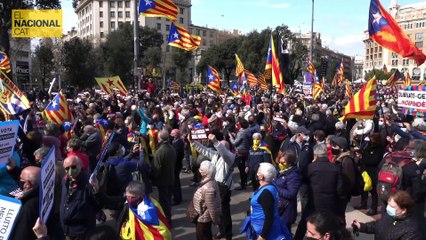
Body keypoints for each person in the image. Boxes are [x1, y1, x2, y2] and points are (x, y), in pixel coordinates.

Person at [190, 133, 236, 240]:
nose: (218, 148)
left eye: (221, 146)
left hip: (223, 187)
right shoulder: (216, 155)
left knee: (224, 212)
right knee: (217, 210)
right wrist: (193, 142)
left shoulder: (230, 157)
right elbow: (204, 150)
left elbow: (224, 152)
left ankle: (228, 234)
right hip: (215, 185)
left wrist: (216, 142)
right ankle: (222, 231)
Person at [241, 162, 291, 240]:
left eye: (258, 172)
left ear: (261, 177)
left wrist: (262, 236)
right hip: (262, 229)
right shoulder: (270, 186)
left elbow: (269, 217)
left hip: (267, 234)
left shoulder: (266, 193)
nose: (256, 173)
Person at [352, 190, 423, 240]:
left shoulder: (412, 232)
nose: (388, 208)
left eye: (392, 206)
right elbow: (378, 226)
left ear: (403, 210)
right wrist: (361, 226)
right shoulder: (390, 215)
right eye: (388, 204)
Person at [60, 156, 99, 239]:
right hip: (67, 229)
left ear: (80, 165)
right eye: (67, 168)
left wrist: (97, 192)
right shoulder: (65, 180)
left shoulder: (89, 182)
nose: (70, 171)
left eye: (73, 167)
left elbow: (98, 204)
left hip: (82, 231)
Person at [151, 129, 176, 224]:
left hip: (163, 180)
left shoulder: (160, 152)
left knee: (164, 202)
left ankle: (167, 220)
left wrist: (152, 177)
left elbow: (156, 169)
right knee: (168, 200)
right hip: (170, 178)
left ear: (160, 138)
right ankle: (168, 217)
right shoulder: (171, 148)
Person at [273, 150, 302, 232]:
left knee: (285, 232)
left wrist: (275, 187)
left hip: (286, 210)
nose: (280, 164)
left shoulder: (294, 176)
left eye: (283, 163)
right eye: (280, 162)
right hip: (278, 207)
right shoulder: (280, 170)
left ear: (290, 163)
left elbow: (291, 194)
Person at [193, 160, 222, 240]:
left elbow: (211, 207)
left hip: (203, 219)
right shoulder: (212, 182)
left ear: (205, 173)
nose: (199, 170)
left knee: (203, 236)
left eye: (201, 170)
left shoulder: (208, 188)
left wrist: (215, 220)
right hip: (203, 217)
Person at [9, 166, 41, 240]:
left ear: (28, 184)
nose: (20, 182)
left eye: (21, 181)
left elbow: (21, 234)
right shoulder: (41, 192)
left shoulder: (28, 207)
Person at [229, 117, 251, 190]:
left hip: (240, 152)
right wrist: (236, 136)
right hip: (246, 151)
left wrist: (230, 137)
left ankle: (243, 184)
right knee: (245, 167)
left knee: (242, 169)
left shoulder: (241, 133)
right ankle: (245, 181)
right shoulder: (248, 131)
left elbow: (234, 143)